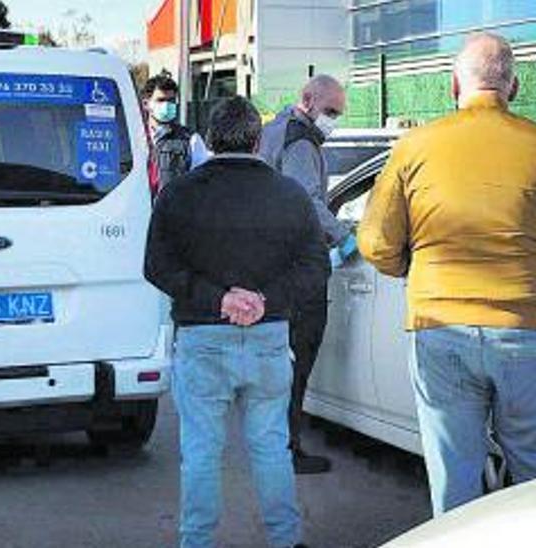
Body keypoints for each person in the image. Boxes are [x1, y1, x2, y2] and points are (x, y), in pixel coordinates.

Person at [357, 33, 536, 515]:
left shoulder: (414, 147)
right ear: (513, 86)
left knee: (454, 481)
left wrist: (416, 267)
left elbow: (376, 244)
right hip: (524, 331)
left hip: (438, 329)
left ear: (454, 85)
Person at [145, 96, 326, 548]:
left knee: (202, 452)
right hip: (267, 338)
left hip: (202, 338)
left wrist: (219, 299)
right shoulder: (290, 195)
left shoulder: (179, 193)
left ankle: (197, 541)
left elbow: (157, 267)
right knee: (270, 446)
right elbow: (314, 268)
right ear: (258, 138)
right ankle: (286, 540)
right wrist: (264, 301)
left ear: (207, 138)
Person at [258, 74, 351, 475]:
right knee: (298, 360)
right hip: (299, 266)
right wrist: (345, 236)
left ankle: (273, 446)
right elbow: (307, 200)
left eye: (337, 114)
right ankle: (287, 449)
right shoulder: (300, 139)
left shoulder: (274, 129)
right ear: (308, 99)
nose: (332, 120)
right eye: (329, 111)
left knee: (281, 363)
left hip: (272, 263)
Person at [142, 73, 210, 188]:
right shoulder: (134, 137)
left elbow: (203, 182)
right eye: (161, 100)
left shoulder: (190, 140)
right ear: (146, 104)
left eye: (171, 100)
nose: (167, 105)